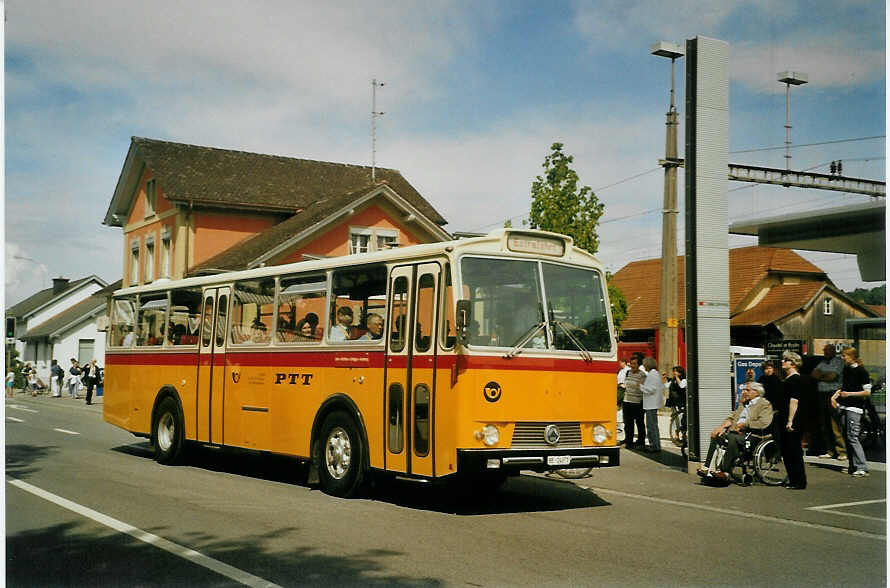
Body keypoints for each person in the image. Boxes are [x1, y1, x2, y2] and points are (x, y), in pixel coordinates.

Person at [697, 382, 774, 479]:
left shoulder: (764, 404)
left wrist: (745, 424)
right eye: (744, 390)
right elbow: (733, 417)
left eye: (747, 390)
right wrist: (721, 427)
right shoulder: (745, 403)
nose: (744, 392)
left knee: (732, 438)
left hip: (753, 437)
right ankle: (708, 467)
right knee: (717, 435)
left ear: (757, 392)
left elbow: (764, 422)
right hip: (737, 433)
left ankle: (725, 472)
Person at [831, 347, 872, 477]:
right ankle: (852, 465)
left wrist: (849, 394)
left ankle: (862, 466)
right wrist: (835, 396)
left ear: (851, 356)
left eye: (844, 356)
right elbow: (843, 386)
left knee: (853, 437)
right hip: (844, 406)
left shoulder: (862, 371)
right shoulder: (847, 370)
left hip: (855, 407)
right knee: (847, 436)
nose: (842, 358)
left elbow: (866, 392)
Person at [812, 344, 847, 460]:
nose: (825, 352)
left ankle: (841, 451)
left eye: (827, 350)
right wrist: (824, 376)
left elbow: (832, 376)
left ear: (833, 351)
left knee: (834, 423)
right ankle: (830, 450)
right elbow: (814, 374)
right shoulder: (822, 362)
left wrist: (821, 376)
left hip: (833, 394)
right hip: (821, 394)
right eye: (824, 350)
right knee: (824, 423)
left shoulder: (838, 362)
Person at [778, 351, 807, 489]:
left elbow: (794, 401)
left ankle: (799, 481)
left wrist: (790, 421)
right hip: (785, 417)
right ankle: (793, 479)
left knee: (793, 450)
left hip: (793, 419)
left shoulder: (796, 380)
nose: (783, 362)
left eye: (786, 360)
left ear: (793, 363)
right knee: (787, 450)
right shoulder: (787, 379)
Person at [621, 352, 646, 449]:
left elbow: (643, 388)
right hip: (627, 400)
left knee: (639, 423)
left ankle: (640, 442)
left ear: (639, 365)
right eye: (631, 364)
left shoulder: (642, 375)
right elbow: (626, 384)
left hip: (638, 402)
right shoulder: (628, 373)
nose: (632, 366)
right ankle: (629, 441)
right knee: (628, 423)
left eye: (635, 364)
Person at [640, 356, 663, 453]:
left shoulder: (651, 375)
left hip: (651, 404)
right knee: (653, 425)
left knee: (651, 426)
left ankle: (654, 446)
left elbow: (651, 389)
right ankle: (655, 445)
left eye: (644, 364)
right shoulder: (655, 374)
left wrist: (640, 386)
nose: (644, 366)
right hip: (652, 403)